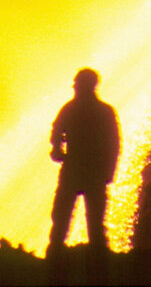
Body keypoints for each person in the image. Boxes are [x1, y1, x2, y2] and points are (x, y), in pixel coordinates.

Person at [47, 68, 121, 259]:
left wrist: (57, 150)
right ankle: (97, 265)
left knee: (63, 221)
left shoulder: (70, 109)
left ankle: (55, 263)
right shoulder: (104, 111)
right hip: (93, 173)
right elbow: (114, 144)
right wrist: (108, 172)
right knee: (94, 223)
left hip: (75, 170)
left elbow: (56, 132)